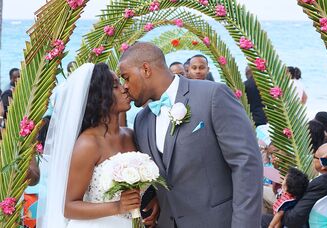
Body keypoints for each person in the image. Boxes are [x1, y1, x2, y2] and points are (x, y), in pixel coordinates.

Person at [119, 42, 263, 227]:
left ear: (146, 69)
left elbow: (247, 164)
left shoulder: (212, 96)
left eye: (126, 77)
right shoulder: (141, 121)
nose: (125, 86)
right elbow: (166, 173)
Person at [37, 63, 140, 228]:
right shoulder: (89, 143)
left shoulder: (130, 134)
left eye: (120, 83)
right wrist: (118, 206)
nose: (124, 89)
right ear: (99, 98)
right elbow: (68, 207)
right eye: (115, 86)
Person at [262, 143, 327, 228]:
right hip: (318, 217)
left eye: (314, 157)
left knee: (262, 219)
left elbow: (293, 219)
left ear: (323, 165)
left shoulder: (322, 183)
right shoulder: (326, 179)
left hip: (306, 222)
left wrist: (281, 211)